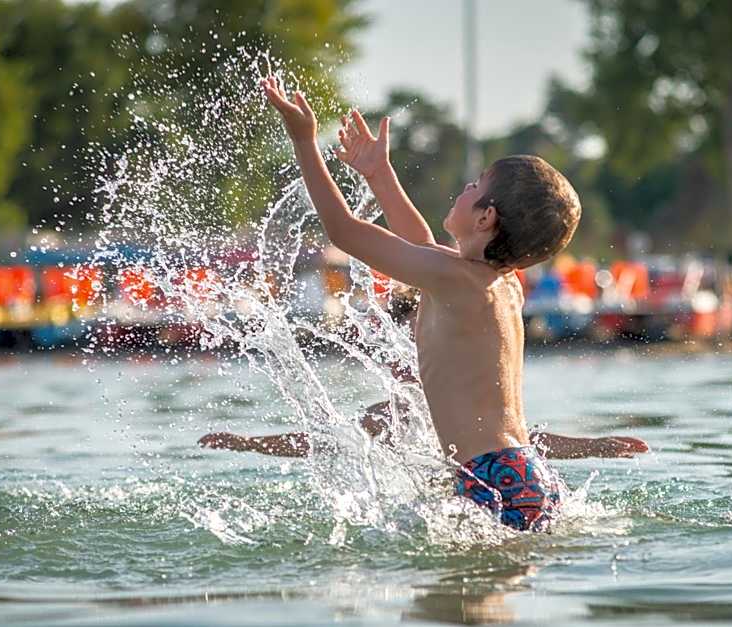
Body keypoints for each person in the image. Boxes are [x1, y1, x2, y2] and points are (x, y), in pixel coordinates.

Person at [201, 75, 648, 531]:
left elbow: (343, 231)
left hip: (493, 481)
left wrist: (303, 141)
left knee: (453, 599)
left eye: (474, 186)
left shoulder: (459, 282)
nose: (464, 189)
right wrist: (379, 174)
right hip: (521, 477)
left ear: (486, 216)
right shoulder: (495, 286)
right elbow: (418, 244)